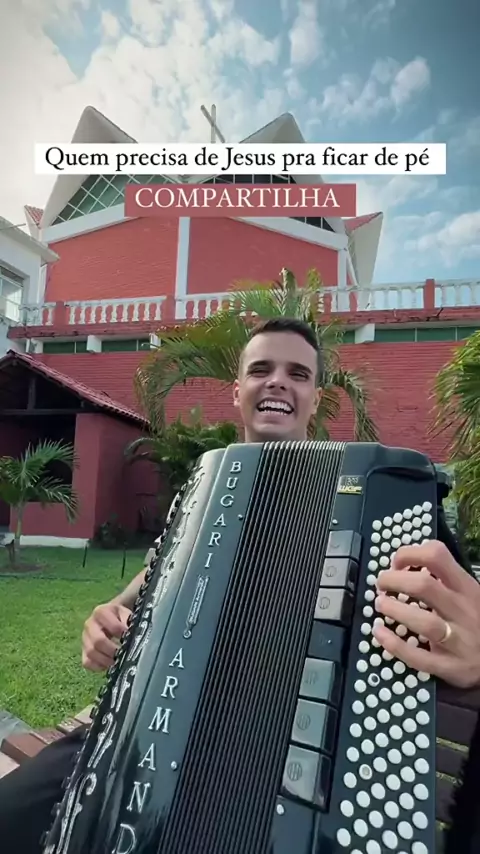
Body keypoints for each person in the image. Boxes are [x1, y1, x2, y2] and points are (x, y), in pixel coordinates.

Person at [0, 316, 478, 852]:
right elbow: (155, 579)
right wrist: (105, 616)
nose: (278, 382)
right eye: (261, 369)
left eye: (298, 374)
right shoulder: (203, 496)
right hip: (138, 739)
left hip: (303, 772)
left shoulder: (380, 498)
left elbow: (456, 612)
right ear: (237, 392)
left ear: (316, 400)